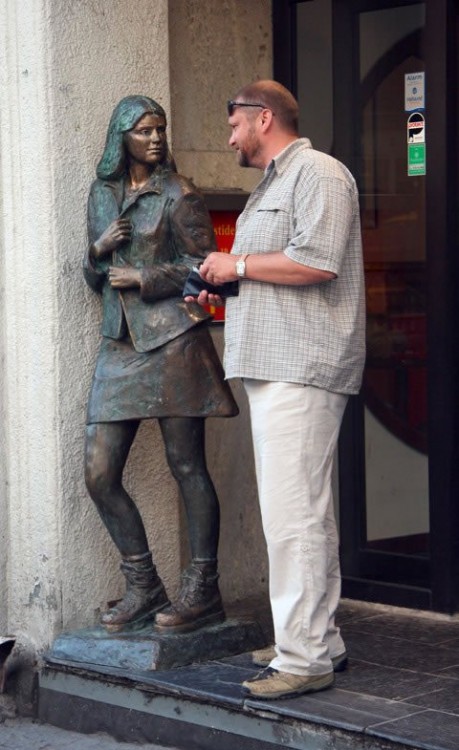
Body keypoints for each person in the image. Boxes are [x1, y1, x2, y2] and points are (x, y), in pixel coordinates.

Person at [186, 80, 365, 699]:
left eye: (234, 123)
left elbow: (317, 263)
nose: (229, 135)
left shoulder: (319, 173)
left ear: (263, 118)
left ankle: (305, 658)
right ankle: (320, 639)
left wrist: (234, 264)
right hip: (276, 362)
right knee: (298, 513)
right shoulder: (274, 182)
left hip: (303, 365)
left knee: (295, 519)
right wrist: (223, 287)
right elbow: (275, 269)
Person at [83, 95, 238, 635]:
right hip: (120, 345)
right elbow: (95, 274)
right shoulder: (102, 195)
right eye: (144, 131)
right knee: (99, 474)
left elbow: (206, 268)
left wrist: (146, 280)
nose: (154, 139)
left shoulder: (180, 193)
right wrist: (97, 252)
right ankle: (144, 585)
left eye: (160, 130)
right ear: (120, 138)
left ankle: (203, 588)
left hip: (173, 342)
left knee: (186, 465)